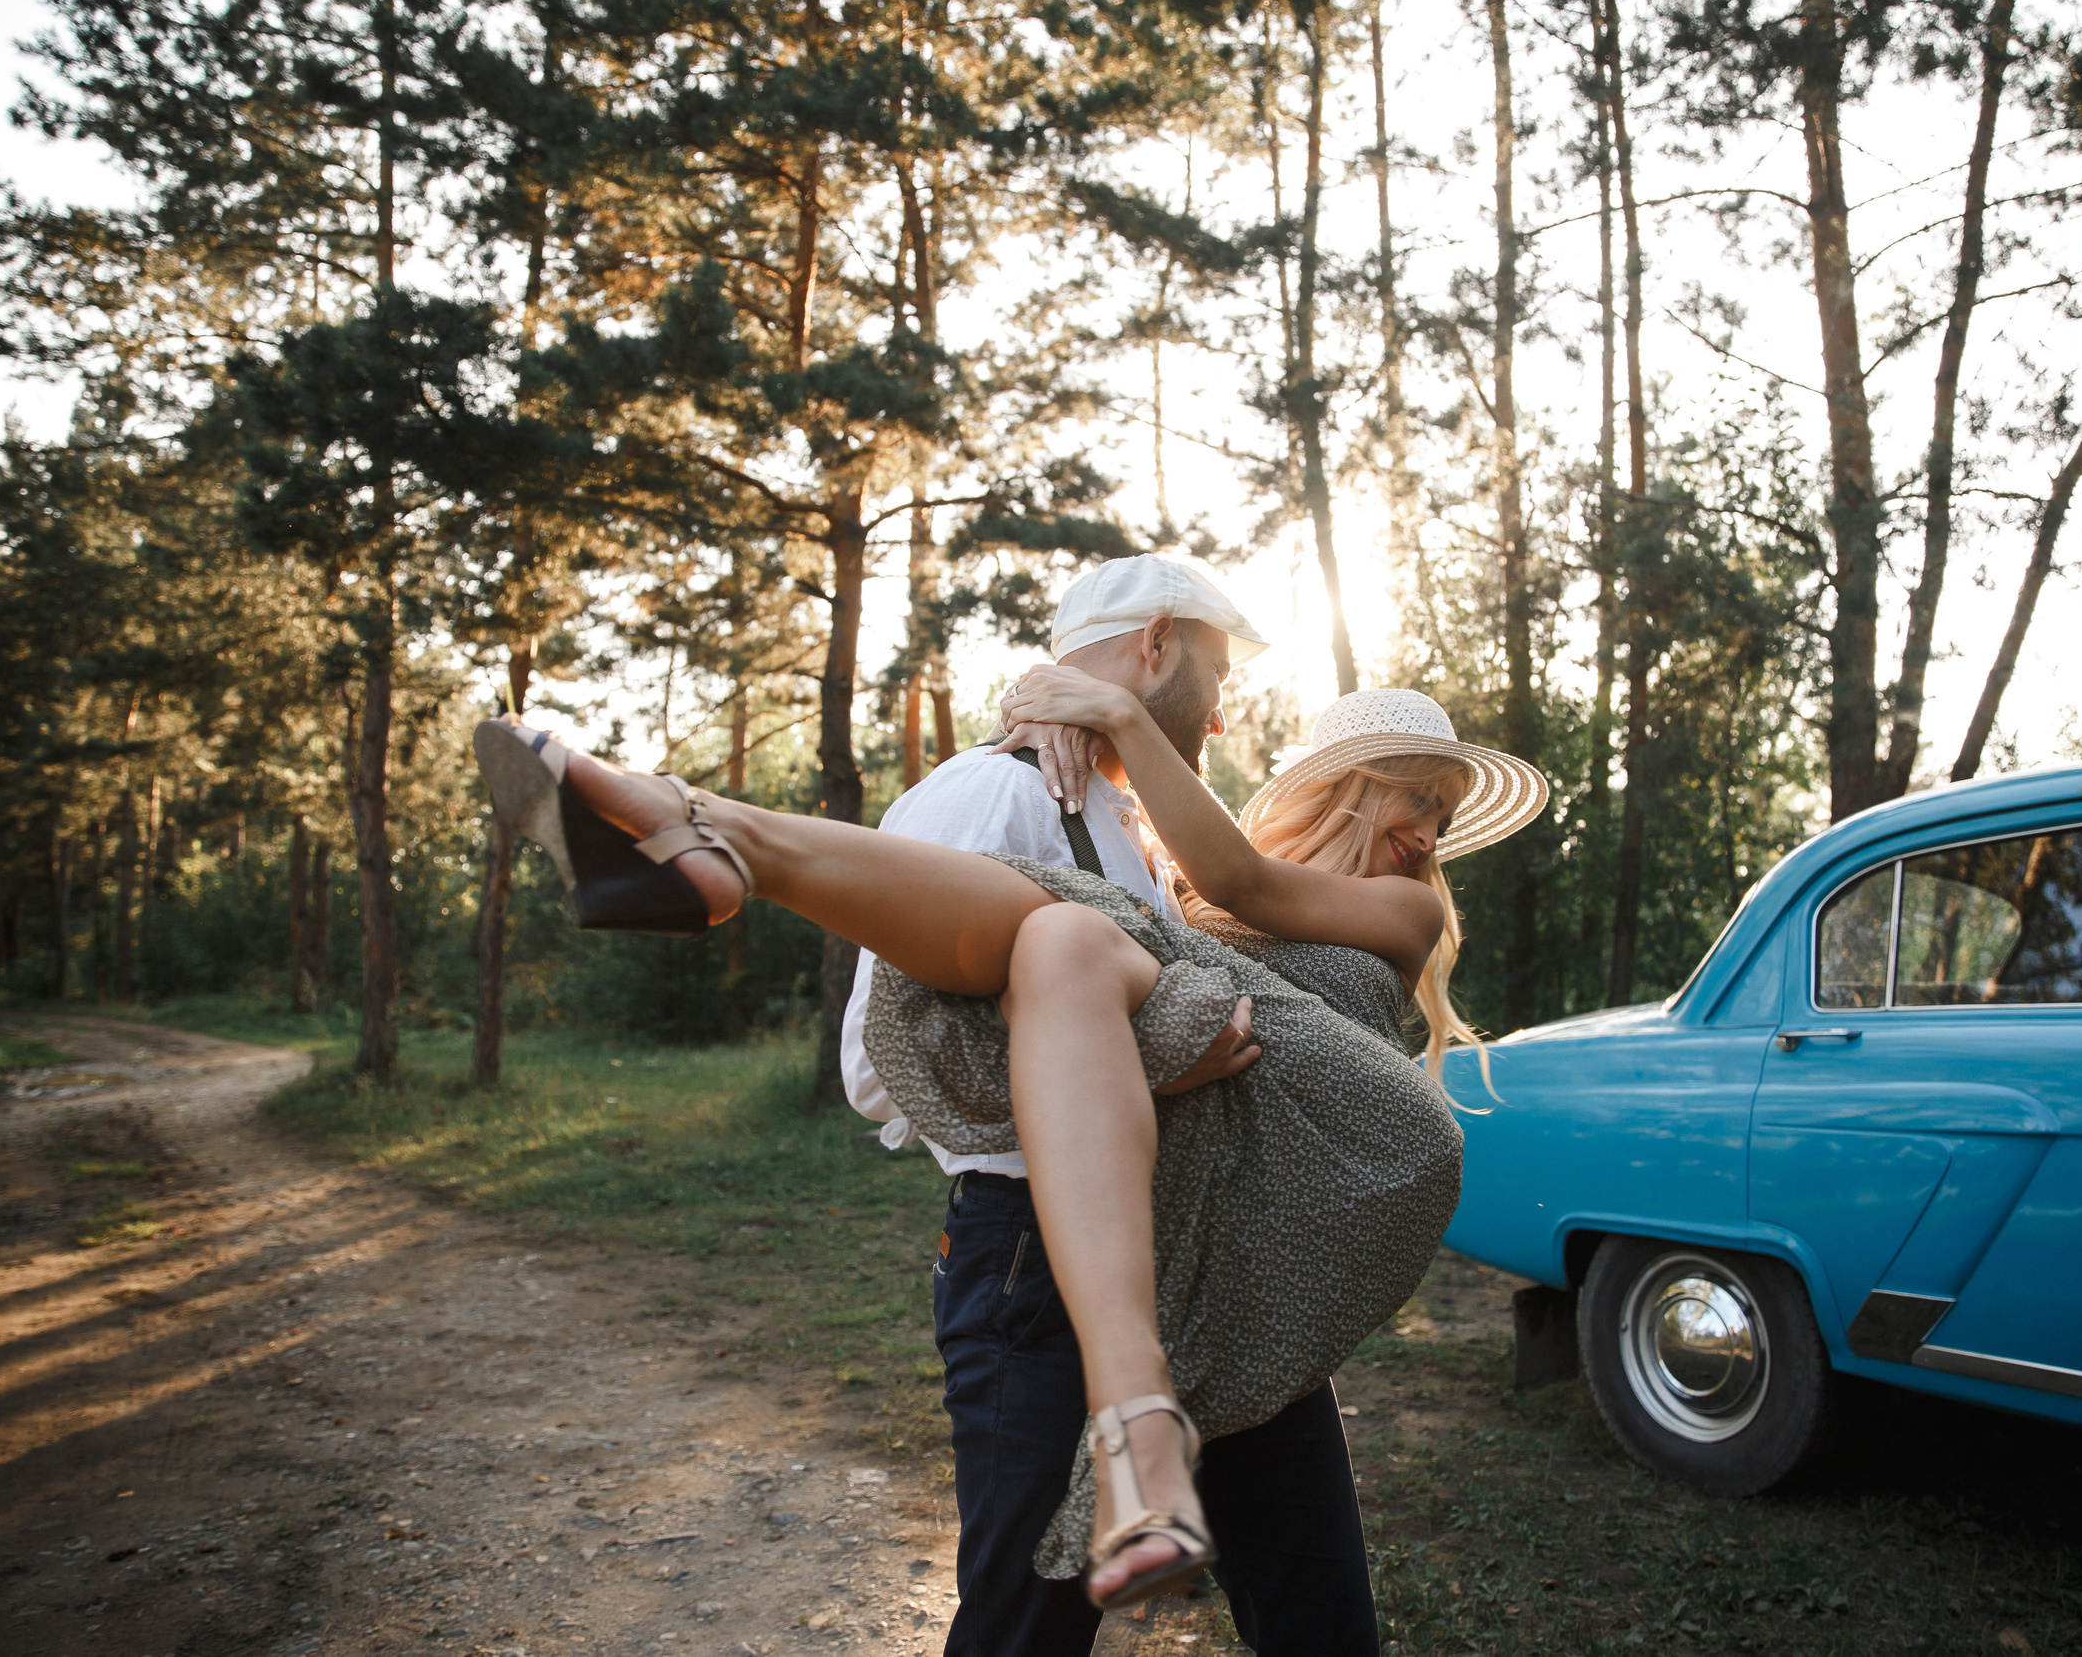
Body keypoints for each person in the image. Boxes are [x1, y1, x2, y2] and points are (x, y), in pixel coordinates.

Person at [472, 556, 1548, 1655]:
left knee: (1067, 927)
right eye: (1420, 799)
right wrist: (1150, 1059)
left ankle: (711, 829)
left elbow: (1238, 890)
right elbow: (880, 1069)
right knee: (1064, 935)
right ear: (1156, 642)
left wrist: (1117, 734)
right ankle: (706, 834)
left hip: (1239, 1246)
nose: (1225, 708)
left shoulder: (1232, 864)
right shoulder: (1010, 792)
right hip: (1051, 1259)